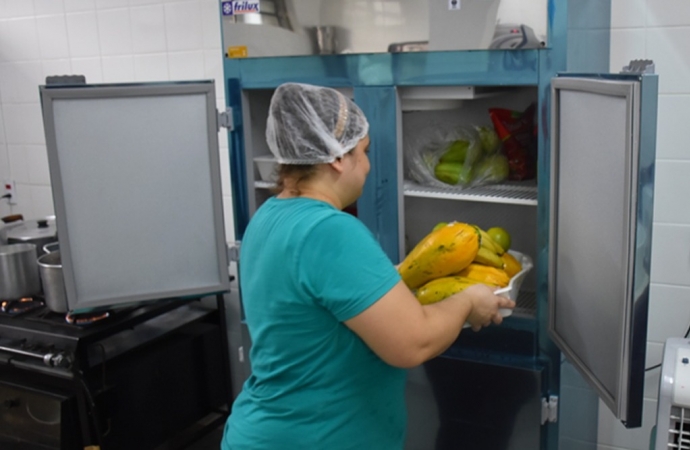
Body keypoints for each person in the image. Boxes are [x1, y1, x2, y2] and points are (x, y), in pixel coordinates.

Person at [221, 82, 515, 450]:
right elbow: (415, 342)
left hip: (268, 430)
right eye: (364, 151)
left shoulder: (268, 217)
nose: (369, 165)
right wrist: (469, 302)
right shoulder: (330, 230)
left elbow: (317, 306)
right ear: (337, 158)